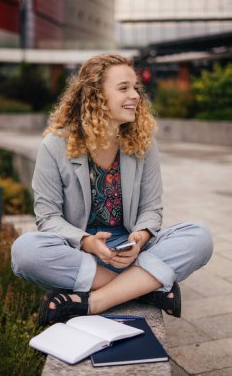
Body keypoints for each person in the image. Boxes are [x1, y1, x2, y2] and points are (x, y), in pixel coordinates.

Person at [11, 54, 213, 326]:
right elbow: (48, 218)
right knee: (24, 251)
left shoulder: (143, 143)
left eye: (135, 88)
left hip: (132, 251)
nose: (135, 96)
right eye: (123, 88)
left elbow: (151, 209)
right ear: (96, 96)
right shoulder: (54, 146)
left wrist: (140, 238)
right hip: (80, 255)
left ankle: (95, 301)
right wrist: (86, 242)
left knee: (200, 237)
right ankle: (144, 290)